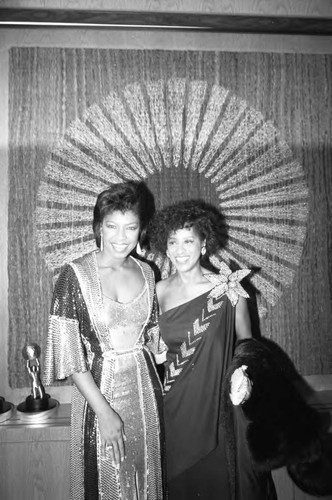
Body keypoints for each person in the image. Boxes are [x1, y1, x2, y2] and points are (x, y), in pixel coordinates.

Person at [44, 180, 167, 500]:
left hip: (147, 396)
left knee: (147, 479)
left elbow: (157, 343)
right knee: (104, 481)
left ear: (141, 230)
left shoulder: (148, 273)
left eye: (130, 227)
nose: (120, 237)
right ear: (98, 227)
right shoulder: (75, 275)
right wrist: (106, 413)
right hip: (98, 396)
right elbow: (70, 358)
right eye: (112, 226)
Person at [149, 199, 276, 500]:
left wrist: (243, 373)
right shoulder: (158, 292)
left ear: (203, 244)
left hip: (217, 408)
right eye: (173, 242)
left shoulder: (229, 288)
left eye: (188, 241)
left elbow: (247, 343)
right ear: (165, 248)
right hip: (173, 407)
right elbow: (154, 348)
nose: (180, 250)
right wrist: (155, 354)